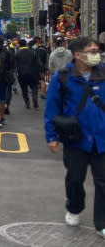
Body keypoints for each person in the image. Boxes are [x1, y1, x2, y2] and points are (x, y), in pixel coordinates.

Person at [44, 36, 105, 235]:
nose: (97, 55)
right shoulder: (62, 76)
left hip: (102, 138)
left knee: (102, 181)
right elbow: (51, 109)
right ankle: (74, 208)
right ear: (78, 55)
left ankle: (102, 223)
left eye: (98, 51)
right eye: (92, 51)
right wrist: (51, 137)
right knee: (75, 179)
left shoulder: (103, 72)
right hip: (76, 139)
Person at [15, 39, 42, 109]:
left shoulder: (17, 53)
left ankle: (27, 103)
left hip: (21, 74)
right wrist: (40, 71)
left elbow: (15, 65)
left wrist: (16, 73)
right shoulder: (33, 52)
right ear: (26, 44)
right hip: (33, 73)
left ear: (19, 45)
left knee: (24, 89)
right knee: (34, 87)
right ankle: (34, 97)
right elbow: (39, 63)